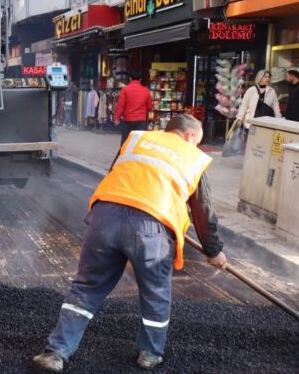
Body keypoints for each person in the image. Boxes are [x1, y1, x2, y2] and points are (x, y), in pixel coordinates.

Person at [32, 114, 227, 373]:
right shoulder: (192, 157)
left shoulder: (136, 140)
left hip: (104, 217)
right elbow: (203, 211)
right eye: (197, 141)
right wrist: (214, 251)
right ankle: (149, 354)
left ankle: (56, 352)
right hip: (149, 228)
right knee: (155, 293)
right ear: (190, 136)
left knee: (87, 287)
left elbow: (118, 175)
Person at [113, 70, 153, 145]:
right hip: (141, 121)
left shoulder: (125, 89)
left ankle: (124, 156)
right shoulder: (146, 90)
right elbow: (150, 107)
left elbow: (120, 105)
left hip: (127, 121)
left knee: (125, 142)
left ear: (130, 79)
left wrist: (116, 118)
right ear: (140, 79)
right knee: (138, 143)